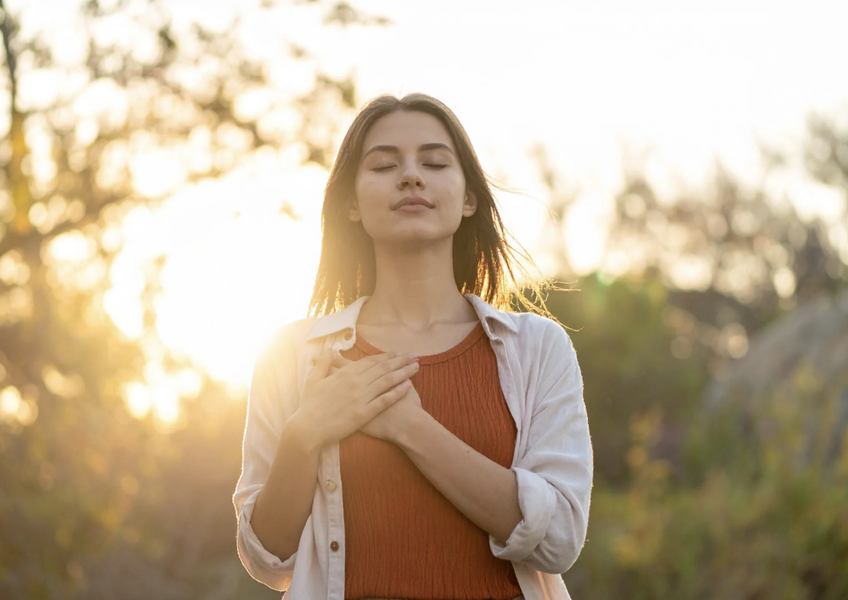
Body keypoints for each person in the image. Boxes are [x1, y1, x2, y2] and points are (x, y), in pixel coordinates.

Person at [233, 93, 593, 600]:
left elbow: (558, 540)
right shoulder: (292, 355)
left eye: (434, 162)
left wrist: (409, 427)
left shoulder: (536, 348)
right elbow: (268, 558)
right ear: (352, 204)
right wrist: (305, 432)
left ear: (468, 198)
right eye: (384, 165)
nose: (410, 176)